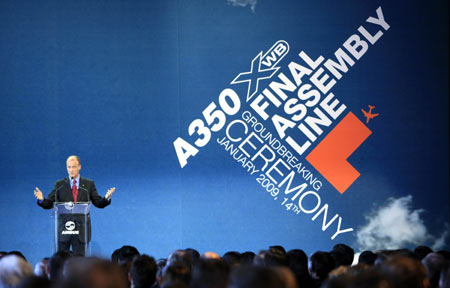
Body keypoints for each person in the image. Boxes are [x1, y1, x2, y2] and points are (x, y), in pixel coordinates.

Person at [33, 155, 116, 256]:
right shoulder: (59, 185)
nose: (71, 170)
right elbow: (50, 203)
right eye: (69, 167)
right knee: (61, 262)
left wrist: (106, 198)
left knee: (79, 263)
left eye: (74, 167)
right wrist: (41, 199)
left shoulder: (88, 184)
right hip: (63, 230)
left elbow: (98, 203)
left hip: (81, 230)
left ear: (80, 167)